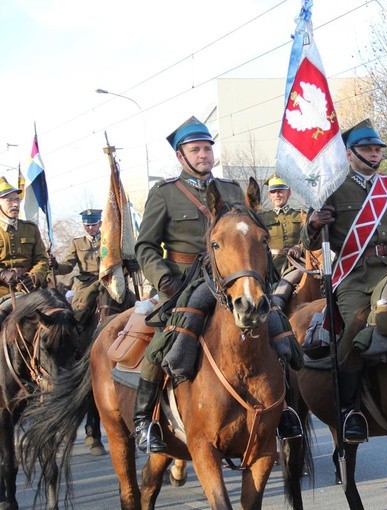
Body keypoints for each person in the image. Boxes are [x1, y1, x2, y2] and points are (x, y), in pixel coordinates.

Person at [133, 116, 246, 453]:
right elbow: (145, 246)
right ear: (181, 156)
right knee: (162, 339)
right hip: (181, 282)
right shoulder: (165, 193)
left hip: (227, 281)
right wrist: (162, 278)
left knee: (274, 327)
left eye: (208, 148)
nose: (204, 155)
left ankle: (282, 412)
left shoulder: (231, 190)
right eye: (196, 149)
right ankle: (144, 421)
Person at [301, 118, 387, 443]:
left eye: (377, 149)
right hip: (354, 275)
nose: (374, 154)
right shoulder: (330, 188)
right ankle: (349, 410)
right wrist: (313, 224)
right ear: (349, 154)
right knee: (355, 329)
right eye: (367, 149)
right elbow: (309, 243)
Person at [51, 209, 111, 325]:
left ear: (100, 224)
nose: (90, 228)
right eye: (87, 225)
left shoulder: (108, 240)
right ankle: (78, 331)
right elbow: (68, 266)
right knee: (80, 309)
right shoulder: (77, 243)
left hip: (108, 279)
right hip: (87, 283)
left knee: (131, 301)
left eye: (93, 225)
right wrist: (56, 265)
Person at [0, 177, 49, 317]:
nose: (15, 204)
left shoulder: (30, 228)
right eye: (9, 200)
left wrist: (34, 277)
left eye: (17, 199)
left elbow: (42, 260)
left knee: (62, 317)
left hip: (30, 290)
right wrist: (2, 274)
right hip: (2, 293)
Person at [258, 175, 305, 309]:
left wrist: (299, 247)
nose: (277, 194)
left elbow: (310, 237)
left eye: (281, 191)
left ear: (288, 193)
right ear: (269, 195)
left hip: (297, 265)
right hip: (270, 267)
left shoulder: (301, 215)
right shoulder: (262, 218)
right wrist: (273, 251)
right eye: (273, 191)